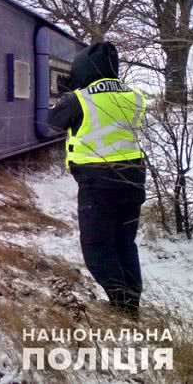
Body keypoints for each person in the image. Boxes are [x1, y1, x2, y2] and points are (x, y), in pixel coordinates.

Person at [48, 42, 147, 316]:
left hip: (98, 184)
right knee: (125, 243)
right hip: (133, 179)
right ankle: (131, 303)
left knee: (96, 247)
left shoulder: (78, 98)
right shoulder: (135, 96)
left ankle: (122, 304)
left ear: (84, 69)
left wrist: (68, 91)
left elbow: (53, 120)